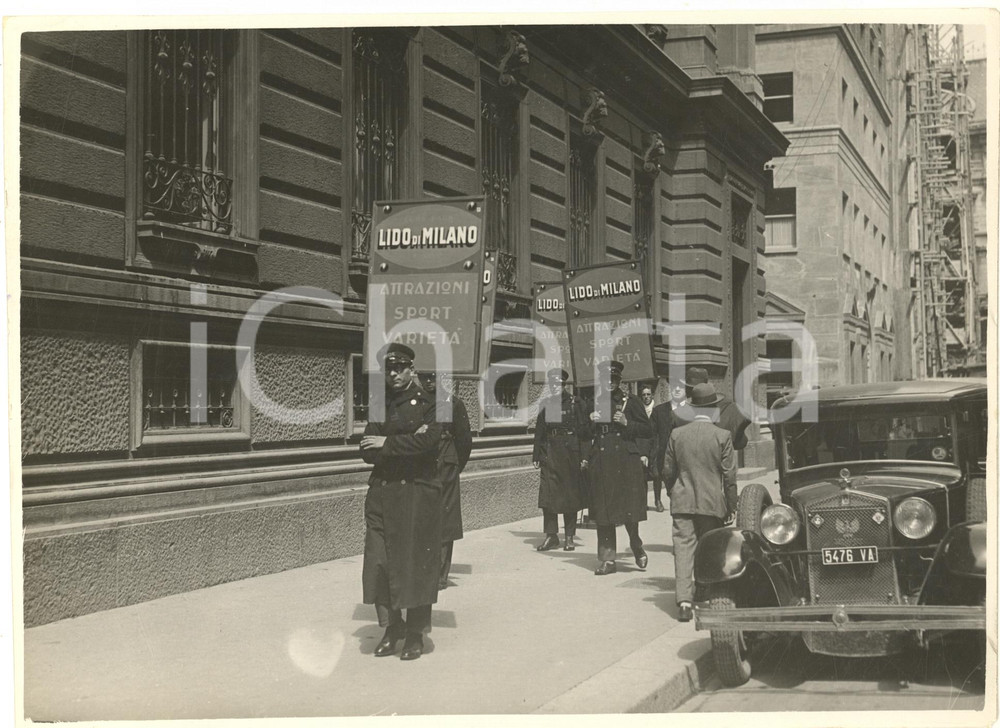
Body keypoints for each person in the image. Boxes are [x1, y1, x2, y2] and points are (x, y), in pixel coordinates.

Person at [360, 343, 445, 661]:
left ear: (412, 370)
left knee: (417, 566)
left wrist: (388, 442)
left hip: (417, 496)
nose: (393, 374)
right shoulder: (380, 403)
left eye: (399, 368)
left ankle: (415, 634)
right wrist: (405, 442)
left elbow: (430, 442)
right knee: (380, 564)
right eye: (389, 369)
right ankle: (392, 626)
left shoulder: (432, 404)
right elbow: (366, 449)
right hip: (383, 495)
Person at [661, 382, 738, 622]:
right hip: (711, 503)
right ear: (714, 407)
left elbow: (667, 469)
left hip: (682, 501)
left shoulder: (677, 434)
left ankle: (684, 602)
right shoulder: (722, 436)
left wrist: (673, 489)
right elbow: (729, 476)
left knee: (683, 549)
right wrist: (732, 505)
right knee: (710, 549)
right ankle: (706, 594)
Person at [582, 360, 652, 575]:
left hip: (625, 461)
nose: (610, 383)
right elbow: (583, 435)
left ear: (619, 381)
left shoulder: (629, 401)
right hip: (602, 462)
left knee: (628, 510)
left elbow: (648, 430)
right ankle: (608, 560)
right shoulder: (592, 402)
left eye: (613, 379)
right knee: (604, 511)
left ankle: (636, 544)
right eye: (606, 379)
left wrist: (627, 424)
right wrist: (589, 421)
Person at [418, 372, 472, 590]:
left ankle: (440, 574)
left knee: (445, 518)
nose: (428, 381)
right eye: (424, 377)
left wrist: (454, 465)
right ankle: (422, 569)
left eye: (432, 377)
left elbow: (465, 441)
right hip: (421, 464)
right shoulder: (415, 403)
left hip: (445, 464)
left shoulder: (453, 404)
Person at [532, 368, 587, 552]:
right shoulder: (547, 404)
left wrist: (584, 457)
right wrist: (536, 455)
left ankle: (569, 536)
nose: (555, 387)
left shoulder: (574, 403)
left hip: (570, 454)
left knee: (569, 495)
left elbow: (584, 433)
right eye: (552, 385)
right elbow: (540, 430)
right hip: (550, 454)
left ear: (564, 385)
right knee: (548, 496)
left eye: (559, 384)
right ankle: (551, 536)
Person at [681, 367, 751, 450]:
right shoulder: (683, 411)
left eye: (688, 389)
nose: (686, 392)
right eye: (686, 388)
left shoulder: (728, 408)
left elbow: (740, 442)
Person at [649, 379, 692, 512]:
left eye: (681, 387)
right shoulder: (659, 411)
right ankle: (659, 500)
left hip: (685, 454)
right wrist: (652, 453)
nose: (677, 390)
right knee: (662, 477)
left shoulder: (692, 411)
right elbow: (652, 434)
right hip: (664, 453)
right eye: (674, 387)